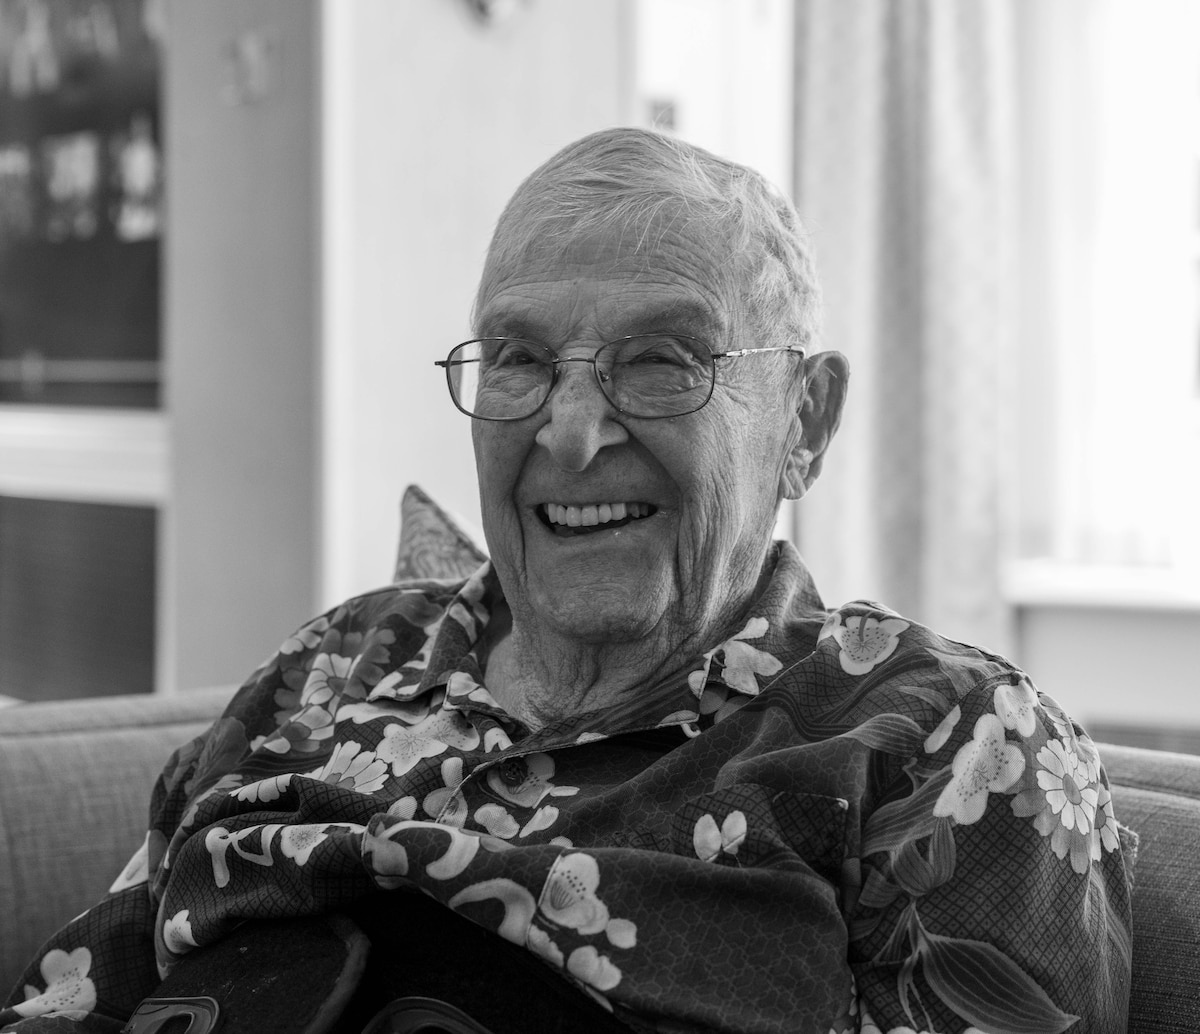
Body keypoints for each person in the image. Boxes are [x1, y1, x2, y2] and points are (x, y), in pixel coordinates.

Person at [1, 128, 1132, 1034]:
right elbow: (71, 997)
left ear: (806, 419)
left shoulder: (949, 744)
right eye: (522, 361)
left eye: (660, 361)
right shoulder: (329, 668)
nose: (575, 433)